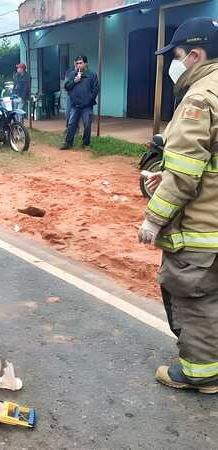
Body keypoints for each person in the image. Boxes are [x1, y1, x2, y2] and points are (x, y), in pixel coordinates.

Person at [138, 17, 218, 394]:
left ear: (196, 55)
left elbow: (186, 173)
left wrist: (154, 219)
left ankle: (201, 375)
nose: (174, 64)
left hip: (203, 229)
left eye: (178, 55)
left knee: (193, 296)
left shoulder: (200, 99)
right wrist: (167, 172)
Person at [60, 56, 99, 150]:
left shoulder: (92, 75)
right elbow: (67, 87)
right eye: (77, 63)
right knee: (71, 123)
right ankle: (68, 143)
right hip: (75, 105)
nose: (78, 65)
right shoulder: (72, 74)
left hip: (87, 106)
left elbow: (96, 89)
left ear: (86, 64)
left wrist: (89, 99)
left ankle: (86, 144)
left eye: (80, 63)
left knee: (87, 124)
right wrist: (74, 81)